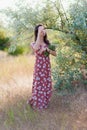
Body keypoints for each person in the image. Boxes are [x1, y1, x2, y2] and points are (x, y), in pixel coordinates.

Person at [27, 24, 56, 111]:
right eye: (41, 30)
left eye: (44, 30)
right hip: (39, 69)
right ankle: (38, 105)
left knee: (46, 85)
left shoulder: (48, 43)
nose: (43, 32)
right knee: (38, 85)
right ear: (37, 32)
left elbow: (55, 53)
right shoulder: (33, 43)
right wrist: (39, 35)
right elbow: (36, 48)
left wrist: (47, 50)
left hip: (46, 68)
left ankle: (44, 103)